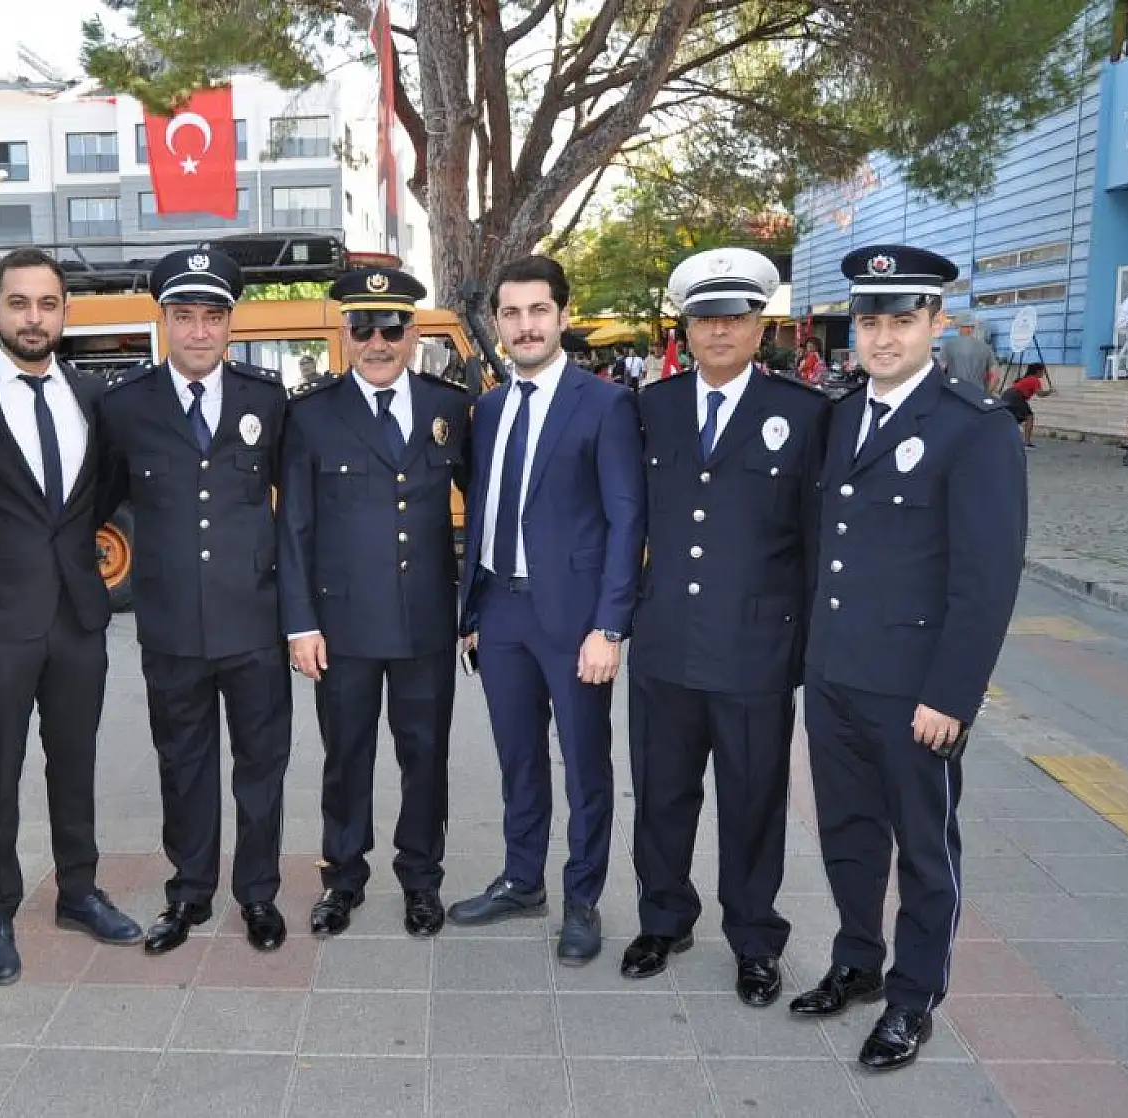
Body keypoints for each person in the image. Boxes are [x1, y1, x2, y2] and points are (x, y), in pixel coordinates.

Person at [792, 244, 1026, 1072]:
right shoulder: (841, 415)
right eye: (869, 321)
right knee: (849, 835)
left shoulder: (976, 427)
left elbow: (986, 579)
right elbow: (827, 549)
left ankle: (912, 997)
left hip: (916, 693)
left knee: (924, 848)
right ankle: (857, 961)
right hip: (837, 677)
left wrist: (952, 695)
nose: (882, 338)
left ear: (936, 322)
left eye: (901, 320)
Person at [0, 248, 141, 988]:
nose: (33, 317)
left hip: (80, 616)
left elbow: (102, 492)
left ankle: (79, 891)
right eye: (18, 303)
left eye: (47, 304)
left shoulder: (93, 397)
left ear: (64, 314)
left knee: (75, 764)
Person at [623, 248, 829, 1004]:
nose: (719, 330)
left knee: (752, 800)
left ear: (759, 326)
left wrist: (802, 650)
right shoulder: (653, 406)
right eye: (705, 317)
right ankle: (665, 916)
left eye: (735, 317)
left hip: (755, 650)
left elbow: (815, 542)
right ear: (686, 326)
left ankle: (753, 937)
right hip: (667, 643)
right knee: (662, 794)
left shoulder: (805, 415)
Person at [449, 255, 645, 966]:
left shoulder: (605, 404)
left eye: (539, 311)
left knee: (585, 766)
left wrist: (610, 626)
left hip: (575, 624)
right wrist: (471, 611)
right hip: (500, 613)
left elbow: (628, 522)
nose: (525, 325)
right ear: (497, 323)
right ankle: (521, 878)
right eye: (511, 313)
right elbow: (485, 508)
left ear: (563, 315)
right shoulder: (492, 407)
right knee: (518, 758)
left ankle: (583, 899)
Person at [96, 248, 292, 955]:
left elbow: (292, 516)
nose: (200, 331)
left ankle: (259, 894)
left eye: (213, 316)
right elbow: (97, 505)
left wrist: (298, 618)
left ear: (230, 324)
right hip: (172, 627)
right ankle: (190, 893)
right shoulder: (125, 406)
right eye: (185, 316)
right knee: (182, 765)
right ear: (165, 321)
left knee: (261, 765)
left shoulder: (266, 401)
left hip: (254, 625)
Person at [277, 266, 473, 939]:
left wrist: (473, 610)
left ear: (414, 332)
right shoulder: (309, 415)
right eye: (364, 327)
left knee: (425, 758)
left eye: (392, 326)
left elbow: (482, 515)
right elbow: (294, 526)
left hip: (424, 622)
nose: (378, 340)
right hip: (343, 626)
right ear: (346, 333)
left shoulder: (449, 410)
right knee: (346, 757)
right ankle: (344, 878)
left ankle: (421, 879)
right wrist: (300, 623)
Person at [1000, 362, 1054, 449]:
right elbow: (1040, 394)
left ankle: (1005, 440)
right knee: (1029, 416)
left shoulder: (1026, 378)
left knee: (1012, 419)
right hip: (1016, 396)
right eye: (1042, 371)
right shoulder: (1034, 379)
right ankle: (1027, 442)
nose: (1043, 374)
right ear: (1038, 371)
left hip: (1007, 395)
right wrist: (1050, 391)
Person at [938, 315, 996, 393]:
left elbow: (939, 371)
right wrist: (987, 393)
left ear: (959, 327)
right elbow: (995, 375)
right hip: (978, 394)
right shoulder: (985, 347)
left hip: (955, 392)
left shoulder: (948, 345)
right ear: (973, 328)